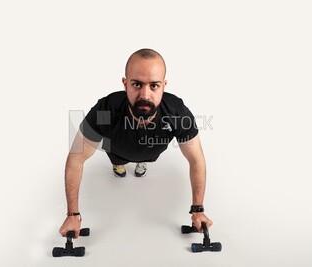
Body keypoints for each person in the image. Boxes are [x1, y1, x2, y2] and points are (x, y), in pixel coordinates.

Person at [59, 48, 213, 238]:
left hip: (151, 152)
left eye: (154, 85)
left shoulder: (177, 113)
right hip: (117, 150)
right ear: (125, 84)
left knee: (145, 157)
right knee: (118, 161)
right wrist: (72, 214)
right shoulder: (105, 111)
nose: (145, 95)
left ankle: (142, 162)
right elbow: (76, 158)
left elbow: (196, 160)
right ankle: (118, 165)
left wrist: (198, 209)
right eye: (137, 84)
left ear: (164, 85)